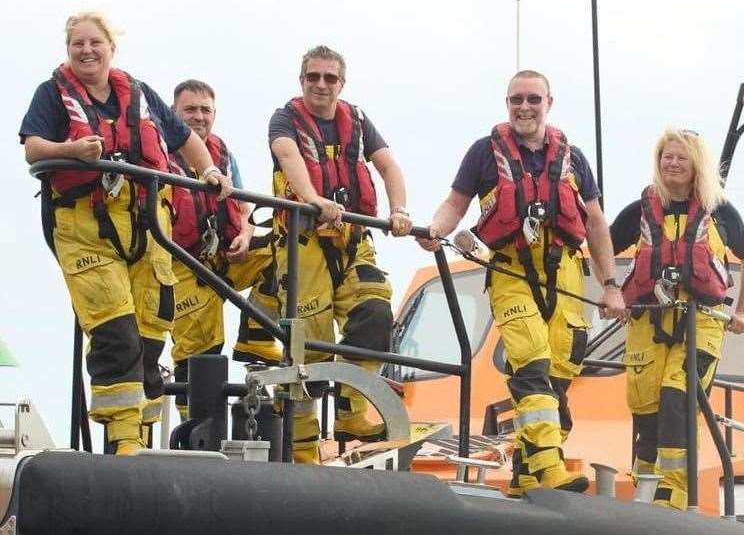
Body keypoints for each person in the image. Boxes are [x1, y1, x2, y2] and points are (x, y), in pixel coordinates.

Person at [19, 12, 232, 455]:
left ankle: (142, 438)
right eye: (77, 43)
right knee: (116, 332)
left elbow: (182, 139)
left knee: (152, 330)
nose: (87, 50)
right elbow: (33, 148)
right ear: (68, 49)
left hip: (147, 227)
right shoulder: (52, 95)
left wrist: (208, 169)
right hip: (87, 231)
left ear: (111, 48)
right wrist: (71, 151)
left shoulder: (137, 92)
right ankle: (122, 443)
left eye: (95, 42)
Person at [418, 70, 625, 496]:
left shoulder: (575, 159)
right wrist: (434, 230)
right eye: (516, 100)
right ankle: (549, 466)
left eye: (533, 99)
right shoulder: (483, 152)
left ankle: (525, 475)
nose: (524, 107)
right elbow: (455, 204)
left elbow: (596, 222)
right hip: (511, 272)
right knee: (531, 362)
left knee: (560, 377)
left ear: (549, 102)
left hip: (566, 275)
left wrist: (611, 284)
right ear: (506, 103)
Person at [269, 45, 412, 463]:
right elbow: (288, 155)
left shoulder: (360, 121)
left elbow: (388, 166)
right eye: (313, 76)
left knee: (375, 314)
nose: (321, 84)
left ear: (341, 84)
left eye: (330, 78)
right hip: (304, 246)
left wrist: (399, 210)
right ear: (302, 81)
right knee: (308, 350)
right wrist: (314, 199)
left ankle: (351, 411)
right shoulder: (285, 119)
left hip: (353, 242)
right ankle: (301, 452)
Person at [611, 128, 744, 510]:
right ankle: (643, 488)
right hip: (647, 321)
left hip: (701, 322)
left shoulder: (720, 211)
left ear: (697, 165)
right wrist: (611, 289)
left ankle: (673, 496)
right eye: (666, 156)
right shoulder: (640, 210)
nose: (672, 163)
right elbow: (599, 246)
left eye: (681, 157)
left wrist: (741, 311)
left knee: (678, 398)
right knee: (646, 408)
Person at [168, 79, 280, 419]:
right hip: (183, 265)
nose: (198, 117)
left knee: (284, 249)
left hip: (226, 258)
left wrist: (245, 235)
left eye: (205, 110)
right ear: (173, 114)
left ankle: (255, 338)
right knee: (201, 352)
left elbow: (245, 209)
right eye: (190, 110)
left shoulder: (224, 155)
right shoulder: (157, 152)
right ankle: (193, 429)